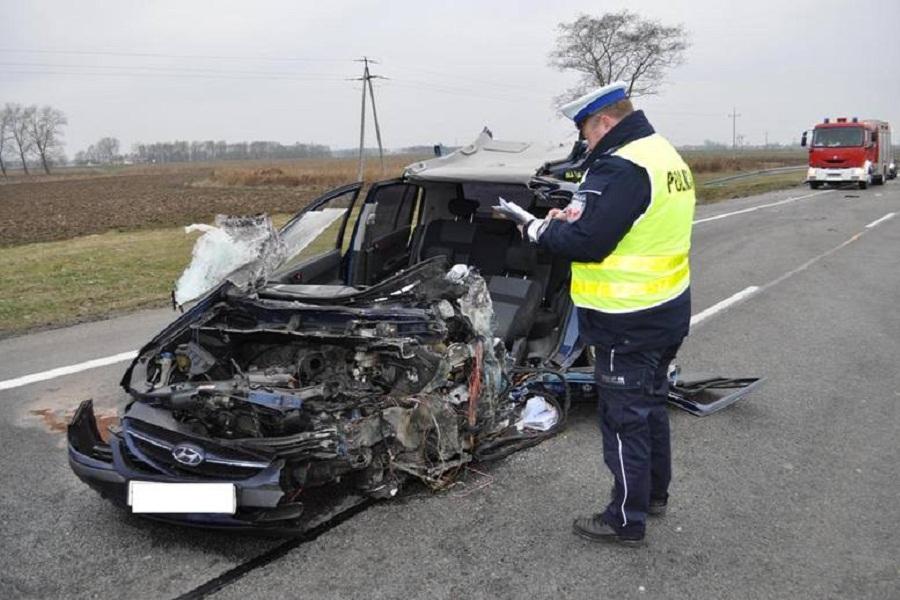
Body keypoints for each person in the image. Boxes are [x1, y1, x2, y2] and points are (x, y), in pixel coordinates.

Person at [527, 82, 696, 546]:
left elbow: (589, 244)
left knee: (624, 420)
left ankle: (625, 519)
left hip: (627, 319)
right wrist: (575, 219)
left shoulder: (621, 166)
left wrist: (539, 230)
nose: (585, 141)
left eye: (586, 130)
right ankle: (653, 495)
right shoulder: (663, 155)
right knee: (650, 406)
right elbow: (629, 226)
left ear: (603, 122)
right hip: (665, 309)